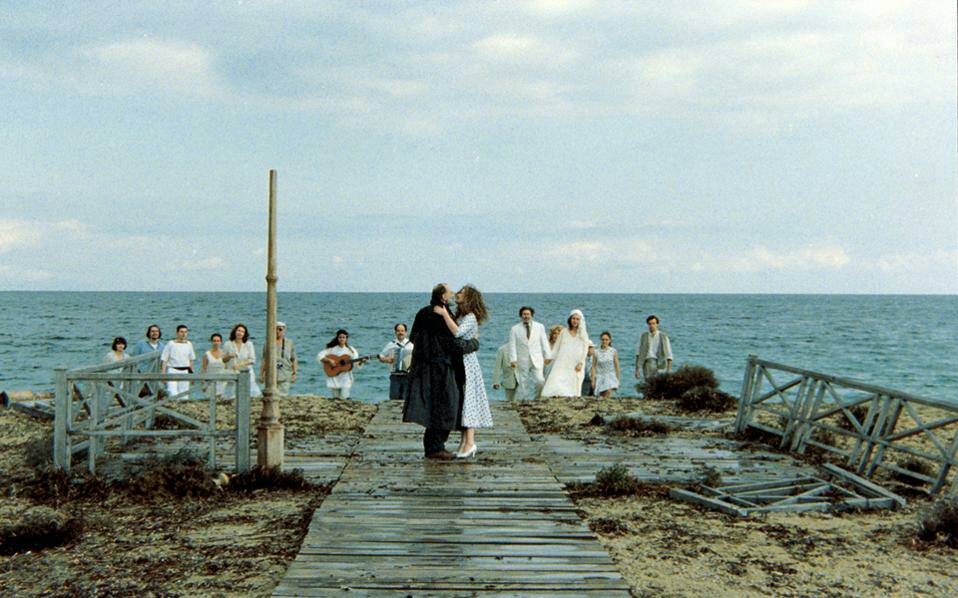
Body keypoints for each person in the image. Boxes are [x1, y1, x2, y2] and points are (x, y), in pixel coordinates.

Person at [402, 283, 480, 460]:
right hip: (441, 368)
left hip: (426, 366)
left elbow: (413, 337)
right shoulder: (438, 314)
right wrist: (474, 344)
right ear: (443, 297)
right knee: (446, 405)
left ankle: (434, 447)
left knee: (435, 406)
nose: (453, 293)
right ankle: (435, 447)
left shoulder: (424, 311)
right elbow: (451, 342)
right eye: (450, 291)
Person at [434, 285, 492, 459]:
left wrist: (444, 313)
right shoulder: (462, 315)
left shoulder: (470, 317)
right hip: (460, 361)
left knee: (469, 399)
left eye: (461, 292)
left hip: (467, 363)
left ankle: (470, 442)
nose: (457, 294)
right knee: (464, 401)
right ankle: (464, 442)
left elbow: (457, 332)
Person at [541, 309, 591, 397]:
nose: (575, 321)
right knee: (557, 380)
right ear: (570, 319)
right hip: (562, 361)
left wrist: (581, 363)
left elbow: (585, 349)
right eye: (573, 318)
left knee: (573, 383)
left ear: (580, 321)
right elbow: (556, 347)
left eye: (577, 319)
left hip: (576, 362)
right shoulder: (564, 332)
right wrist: (550, 358)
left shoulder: (583, 334)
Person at [508, 307, 551, 401]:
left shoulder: (539, 327)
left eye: (528, 314)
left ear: (531, 315)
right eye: (524, 314)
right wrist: (513, 360)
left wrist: (548, 355)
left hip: (537, 358)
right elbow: (512, 345)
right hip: (522, 359)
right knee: (523, 382)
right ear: (521, 315)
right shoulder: (514, 329)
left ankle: (538, 398)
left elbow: (544, 341)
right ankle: (524, 401)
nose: (526, 316)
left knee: (540, 381)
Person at [317, 329, 364, 399]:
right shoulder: (332, 349)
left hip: (346, 377)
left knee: (344, 396)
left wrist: (361, 362)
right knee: (335, 398)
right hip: (334, 376)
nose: (342, 339)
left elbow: (356, 363)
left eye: (343, 337)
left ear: (346, 338)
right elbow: (320, 356)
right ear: (337, 338)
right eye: (340, 337)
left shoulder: (351, 350)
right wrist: (329, 360)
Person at [223, 323, 262, 398]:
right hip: (232, 371)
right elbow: (223, 360)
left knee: (248, 393)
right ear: (235, 331)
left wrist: (240, 365)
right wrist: (229, 356)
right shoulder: (228, 344)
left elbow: (252, 359)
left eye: (242, 331)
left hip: (246, 371)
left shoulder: (248, 344)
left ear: (244, 334)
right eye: (238, 330)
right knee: (231, 394)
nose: (240, 333)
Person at [260, 321, 297, 398]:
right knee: (270, 397)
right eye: (275, 329)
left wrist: (294, 373)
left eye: (280, 329)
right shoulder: (268, 343)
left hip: (285, 374)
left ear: (284, 330)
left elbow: (294, 359)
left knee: (283, 397)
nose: (277, 332)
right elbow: (264, 359)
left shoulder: (289, 343)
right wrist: (261, 374)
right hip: (271, 375)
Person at [379, 323, 414, 400]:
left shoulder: (411, 345)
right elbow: (381, 356)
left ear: (406, 332)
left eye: (402, 331)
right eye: (398, 331)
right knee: (394, 398)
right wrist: (386, 360)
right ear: (395, 332)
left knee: (406, 399)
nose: (400, 332)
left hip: (407, 376)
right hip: (395, 375)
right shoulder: (391, 344)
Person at [160, 324, 196, 399]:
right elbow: (164, 359)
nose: (183, 334)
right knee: (172, 392)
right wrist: (163, 374)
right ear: (177, 333)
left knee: (184, 394)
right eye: (181, 332)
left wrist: (192, 375)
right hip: (172, 370)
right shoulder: (171, 344)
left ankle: (182, 409)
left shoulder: (189, 344)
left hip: (185, 370)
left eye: (185, 332)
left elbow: (191, 360)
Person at [129, 324, 165, 396]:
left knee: (161, 393)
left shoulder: (162, 346)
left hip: (156, 376)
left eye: (157, 331)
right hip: (142, 375)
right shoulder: (141, 344)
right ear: (149, 333)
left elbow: (163, 362)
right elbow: (133, 359)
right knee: (140, 394)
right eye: (152, 331)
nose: (155, 333)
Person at [636, 314, 673, 381]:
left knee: (659, 385)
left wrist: (669, 369)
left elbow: (669, 354)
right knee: (649, 384)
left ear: (657, 324)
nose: (651, 326)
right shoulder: (644, 336)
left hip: (661, 363)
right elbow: (638, 353)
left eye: (653, 323)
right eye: (650, 324)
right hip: (647, 363)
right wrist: (637, 369)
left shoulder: (663, 336)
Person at [593, 332, 621, 397]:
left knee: (608, 392)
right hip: (600, 376)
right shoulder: (596, 352)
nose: (604, 341)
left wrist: (618, 379)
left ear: (610, 340)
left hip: (610, 376)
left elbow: (617, 366)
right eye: (603, 339)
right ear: (600, 340)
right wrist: (593, 380)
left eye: (606, 339)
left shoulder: (613, 351)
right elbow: (593, 367)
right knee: (601, 395)